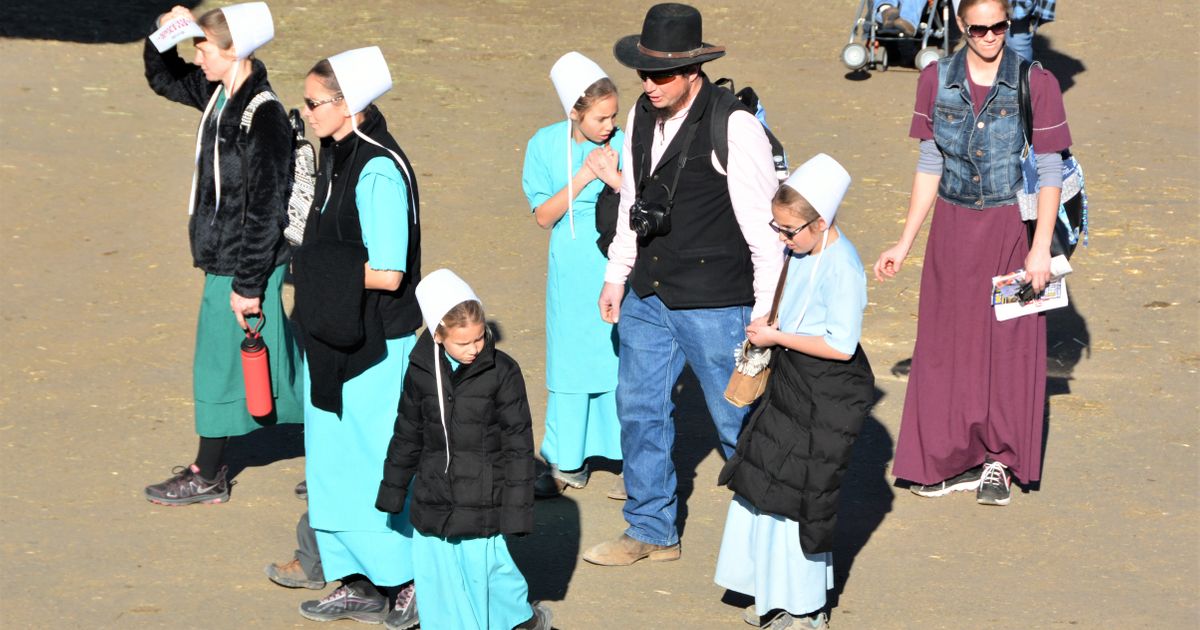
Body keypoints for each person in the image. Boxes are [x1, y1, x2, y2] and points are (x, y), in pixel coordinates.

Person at [584, 2, 781, 566]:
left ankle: (771, 541)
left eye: (662, 74)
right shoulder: (641, 118)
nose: (649, 85)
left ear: (693, 70)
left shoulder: (735, 126)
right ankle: (649, 529)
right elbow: (630, 203)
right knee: (639, 408)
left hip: (719, 305)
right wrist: (616, 275)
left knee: (738, 421)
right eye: (643, 73)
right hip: (647, 293)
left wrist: (763, 315)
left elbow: (765, 233)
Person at [874, 0, 1072, 506]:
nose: (989, 36)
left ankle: (999, 462)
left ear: (1010, 24)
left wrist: (1040, 249)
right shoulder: (936, 79)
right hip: (952, 227)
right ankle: (949, 456)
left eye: (999, 26)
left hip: (1010, 226)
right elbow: (929, 160)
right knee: (946, 344)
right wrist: (905, 241)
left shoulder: (1037, 82)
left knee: (1008, 349)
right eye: (979, 27)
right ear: (960, 25)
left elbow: (1050, 170)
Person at [142, 2, 303, 506]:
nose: (197, 56)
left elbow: (267, 209)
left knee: (218, 365)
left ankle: (207, 473)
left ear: (234, 51)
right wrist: (170, 31)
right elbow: (162, 76)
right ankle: (341, 452)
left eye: (204, 47)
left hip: (242, 263)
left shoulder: (266, 114)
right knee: (283, 367)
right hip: (229, 259)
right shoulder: (218, 92)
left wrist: (248, 284)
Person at [283, 47, 422, 627]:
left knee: (376, 462)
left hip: (376, 344)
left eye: (315, 103)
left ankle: (409, 579)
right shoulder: (339, 153)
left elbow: (389, 270)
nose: (308, 113)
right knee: (336, 462)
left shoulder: (379, 168)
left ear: (349, 104)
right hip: (335, 335)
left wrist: (310, 268)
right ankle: (359, 580)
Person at [715, 155, 874, 630]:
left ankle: (805, 609)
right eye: (777, 228)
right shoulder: (803, 251)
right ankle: (771, 589)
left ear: (821, 221)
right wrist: (774, 323)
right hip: (792, 382)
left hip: (825, 394)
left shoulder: (843, 268)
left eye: (789, 230)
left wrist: (777, 337)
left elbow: (841, 346)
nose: (782, 239)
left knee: (800, 495)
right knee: (764, 480)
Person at [376, 269, 551, 630]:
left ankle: (523, 621)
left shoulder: (503, 372)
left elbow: (519, 446)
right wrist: (392, 490)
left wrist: (517, 513)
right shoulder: (420, 371)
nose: (474, 349)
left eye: (479, 338)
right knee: (438, 580)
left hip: (482, 502)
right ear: (438, 335)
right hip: (434, 499)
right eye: (463, 343)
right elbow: (407, 432)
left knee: (487, 576)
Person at [522, 52, 624, 498]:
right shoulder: (543, 145)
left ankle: (624, 453)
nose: (609, 126)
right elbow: (544, 216)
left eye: (613, 116)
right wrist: (585, 175)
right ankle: (568, 458)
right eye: (601, 118)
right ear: (574, 113)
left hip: (616, 258)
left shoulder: (625, 141)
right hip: (570, 262)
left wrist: (615, 176)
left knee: (618, 354)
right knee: (569, 357)